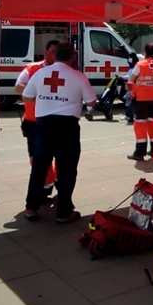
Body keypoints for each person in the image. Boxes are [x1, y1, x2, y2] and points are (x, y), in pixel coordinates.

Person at [21, 42, 96, 223]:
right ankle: (63, 212)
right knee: (67, 169)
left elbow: (26, 96)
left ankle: (31, 207)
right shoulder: (78, 76)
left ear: (55, 55)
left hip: (44, 125)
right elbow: (92, 102)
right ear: (72, 57)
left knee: (39, 166)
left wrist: (46, 98)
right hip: (67, 126)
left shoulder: (40, 74)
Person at [16, 40, 59, 202]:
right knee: (37, 158)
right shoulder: (33, 69)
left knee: (60, 156)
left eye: (58, 51)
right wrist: (37, 93)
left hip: (56, 121)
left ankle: (57, 185)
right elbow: (18, 87)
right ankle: (44, 187)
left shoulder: (66, 70)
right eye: (53, 51)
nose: (55, 54)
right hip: (34, 122)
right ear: (46, 52)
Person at [127, 42, 153, 160]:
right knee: (152, 123)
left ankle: (139, 152)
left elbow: (131, 81)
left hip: (141, 99)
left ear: (145, 52)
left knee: (140, 124)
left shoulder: (140, 65)